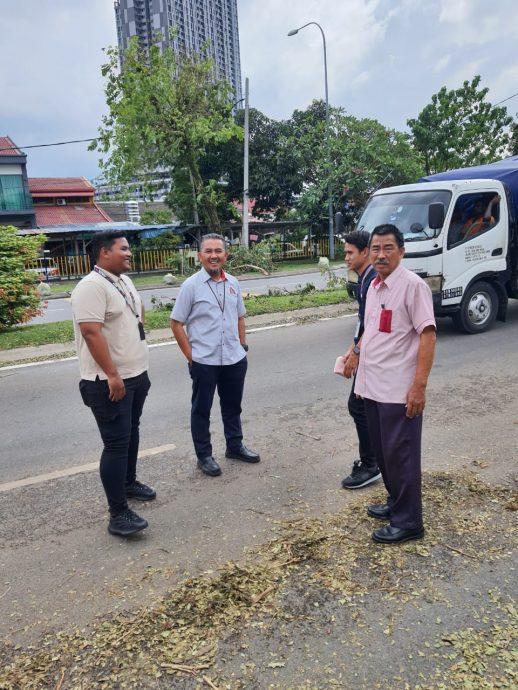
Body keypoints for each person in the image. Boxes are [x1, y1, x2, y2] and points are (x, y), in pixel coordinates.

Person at [350, 224, 436, 544]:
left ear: (402, 251)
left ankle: (410, 521)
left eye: (388, 248)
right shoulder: (374, 285)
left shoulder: (413, 287)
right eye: (376, 249)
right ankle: (395, 502)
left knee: (402, 455)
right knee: (385, 454)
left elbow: (428, 335)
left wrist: (419, 387)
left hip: (399, 390)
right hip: (373, 385)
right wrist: (354, 354)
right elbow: (371, 330)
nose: (381, 255)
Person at [71, 231, 155, 537]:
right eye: (124, 249)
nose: (129, 253)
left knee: (131, 431)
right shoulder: (90, 287)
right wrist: (113, 374)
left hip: (136, 374)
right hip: (108, 382)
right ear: (105, 253)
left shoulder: (123, 280)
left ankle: (129, 483)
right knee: (116, 444)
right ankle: (117, 514)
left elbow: (136, 311)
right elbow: (91, 332)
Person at [171, 233, 259, 477]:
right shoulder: (190, 286)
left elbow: (240, 315)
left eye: (218, 251)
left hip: (233, 358)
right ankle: (204, 455)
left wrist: (242, 346)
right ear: (199, 256)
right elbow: (176, 323)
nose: (213, 256)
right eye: (208, 251)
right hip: (204, 360)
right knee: (201, 409)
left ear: (225, 255)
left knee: (232, 406)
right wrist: (191, 357)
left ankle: (235, 446)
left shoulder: (233, 282)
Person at [340, 230, 380, 489]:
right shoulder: (364, 279)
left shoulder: (373, 280)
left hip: (374, 357)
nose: (345, 258)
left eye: (349, 253)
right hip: (366, 351)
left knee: (360, 407)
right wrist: (352, 346)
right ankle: (375, 461)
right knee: (365, 409)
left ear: (365, 252)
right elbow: (363, 322)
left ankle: (371, 464)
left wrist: (356, 353)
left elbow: (374, 324)